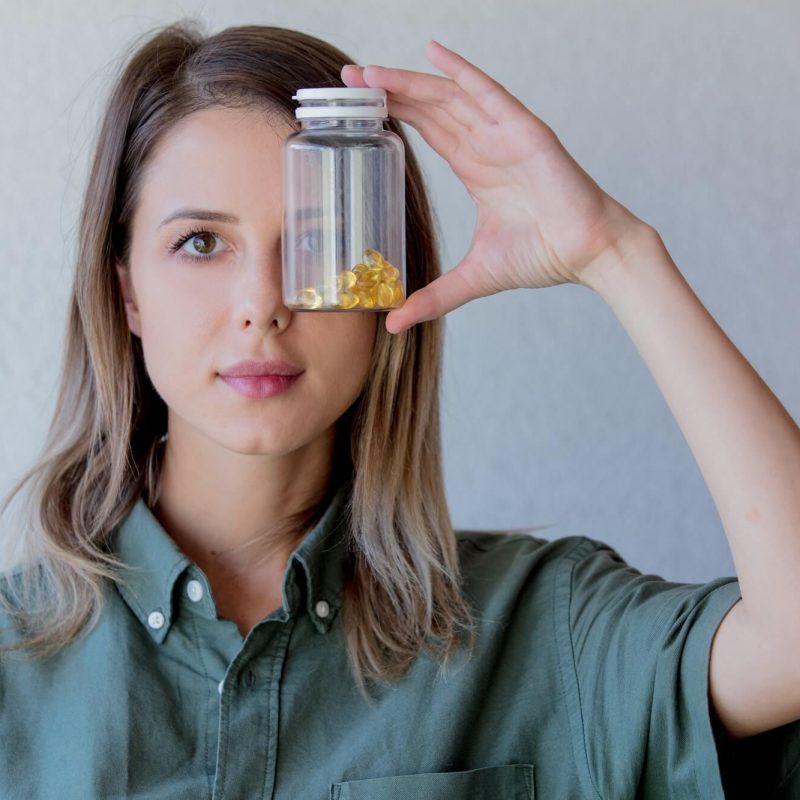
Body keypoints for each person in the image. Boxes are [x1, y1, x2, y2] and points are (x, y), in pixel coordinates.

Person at [1, 18, 798, 800]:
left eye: (320, 238)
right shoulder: (14, 661)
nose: (262, 306)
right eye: (203, 243)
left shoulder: (538, 631)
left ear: (393, 277)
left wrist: (614, 253)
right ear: (127, 289)